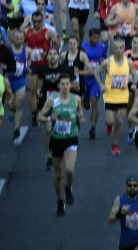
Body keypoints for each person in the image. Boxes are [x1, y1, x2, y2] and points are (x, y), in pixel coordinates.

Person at [38, 72, 83, 215]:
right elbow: (40, 117)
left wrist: (81, 118)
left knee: (69, 170)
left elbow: (80, 112)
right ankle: (59, 201)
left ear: (70, 85)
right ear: (58, 86)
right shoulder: (52, 100)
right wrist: (50, 119)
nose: (65, 86)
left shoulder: (76, 99)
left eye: (67, 84)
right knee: (58, 174)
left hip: (71, 138)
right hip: (56, 139)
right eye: (62, 84)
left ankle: (68, 188)